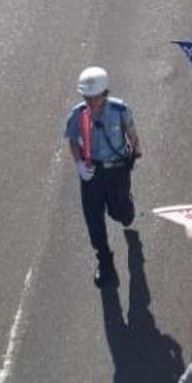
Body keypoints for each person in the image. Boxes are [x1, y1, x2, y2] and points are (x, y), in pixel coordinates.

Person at [64, 67, 142, 288]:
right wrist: (79, 163)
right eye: (86, 97)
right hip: (92, 172)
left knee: (122, 214)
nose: (89, 101)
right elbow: (72, 140)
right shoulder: (77, 114)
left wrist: (136, 155)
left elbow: (133, 134)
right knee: (93, 218)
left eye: (94, 97)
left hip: (117, 171)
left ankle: (125, 208)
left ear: (104, 93)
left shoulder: (120, 110)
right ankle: (104, 259)